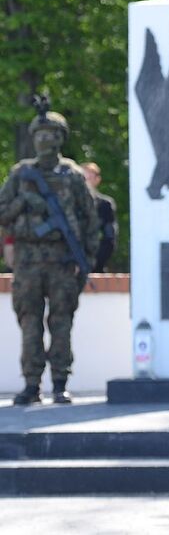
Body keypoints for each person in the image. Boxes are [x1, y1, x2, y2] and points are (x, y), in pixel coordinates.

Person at [0, 102, 99, 405]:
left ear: (60, 137)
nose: (44, 140)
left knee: (61, 322)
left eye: (50, 134)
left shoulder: (72, 175)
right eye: (39, 134)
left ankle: (60, 382)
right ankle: (32, 384)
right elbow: (2, 213)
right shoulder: (21, 174)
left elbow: (90, 220)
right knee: (29, 321)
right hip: (28, 262)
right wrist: (25, 202)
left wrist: (87, 262)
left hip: (62, 261)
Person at [80, 162, 117, 272]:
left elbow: (109, 238)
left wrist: (94, 263)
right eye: (83, 178)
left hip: (94, 267)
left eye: (89, 178)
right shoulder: (68, 205)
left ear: (97, 180)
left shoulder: (105, 205)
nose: (86, 182)